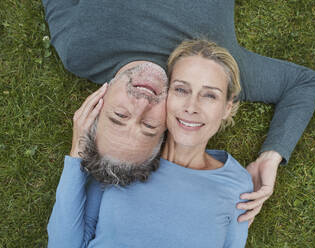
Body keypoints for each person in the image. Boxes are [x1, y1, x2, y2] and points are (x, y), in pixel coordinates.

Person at [42, 0, 315, 223]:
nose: (141, 103)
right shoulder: (210, 73)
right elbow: (302, 84)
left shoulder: (77, 50)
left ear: (95, 106)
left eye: (119, 116)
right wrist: (271, 155)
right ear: (167, 127)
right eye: (149, 127)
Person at [48, 39, 253, 248]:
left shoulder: (238, 185)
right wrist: (77, 152)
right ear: (166, 97)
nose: (192, 107)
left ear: (227, 107)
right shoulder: (130, 161)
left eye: (210, 95)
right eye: (181, 90)